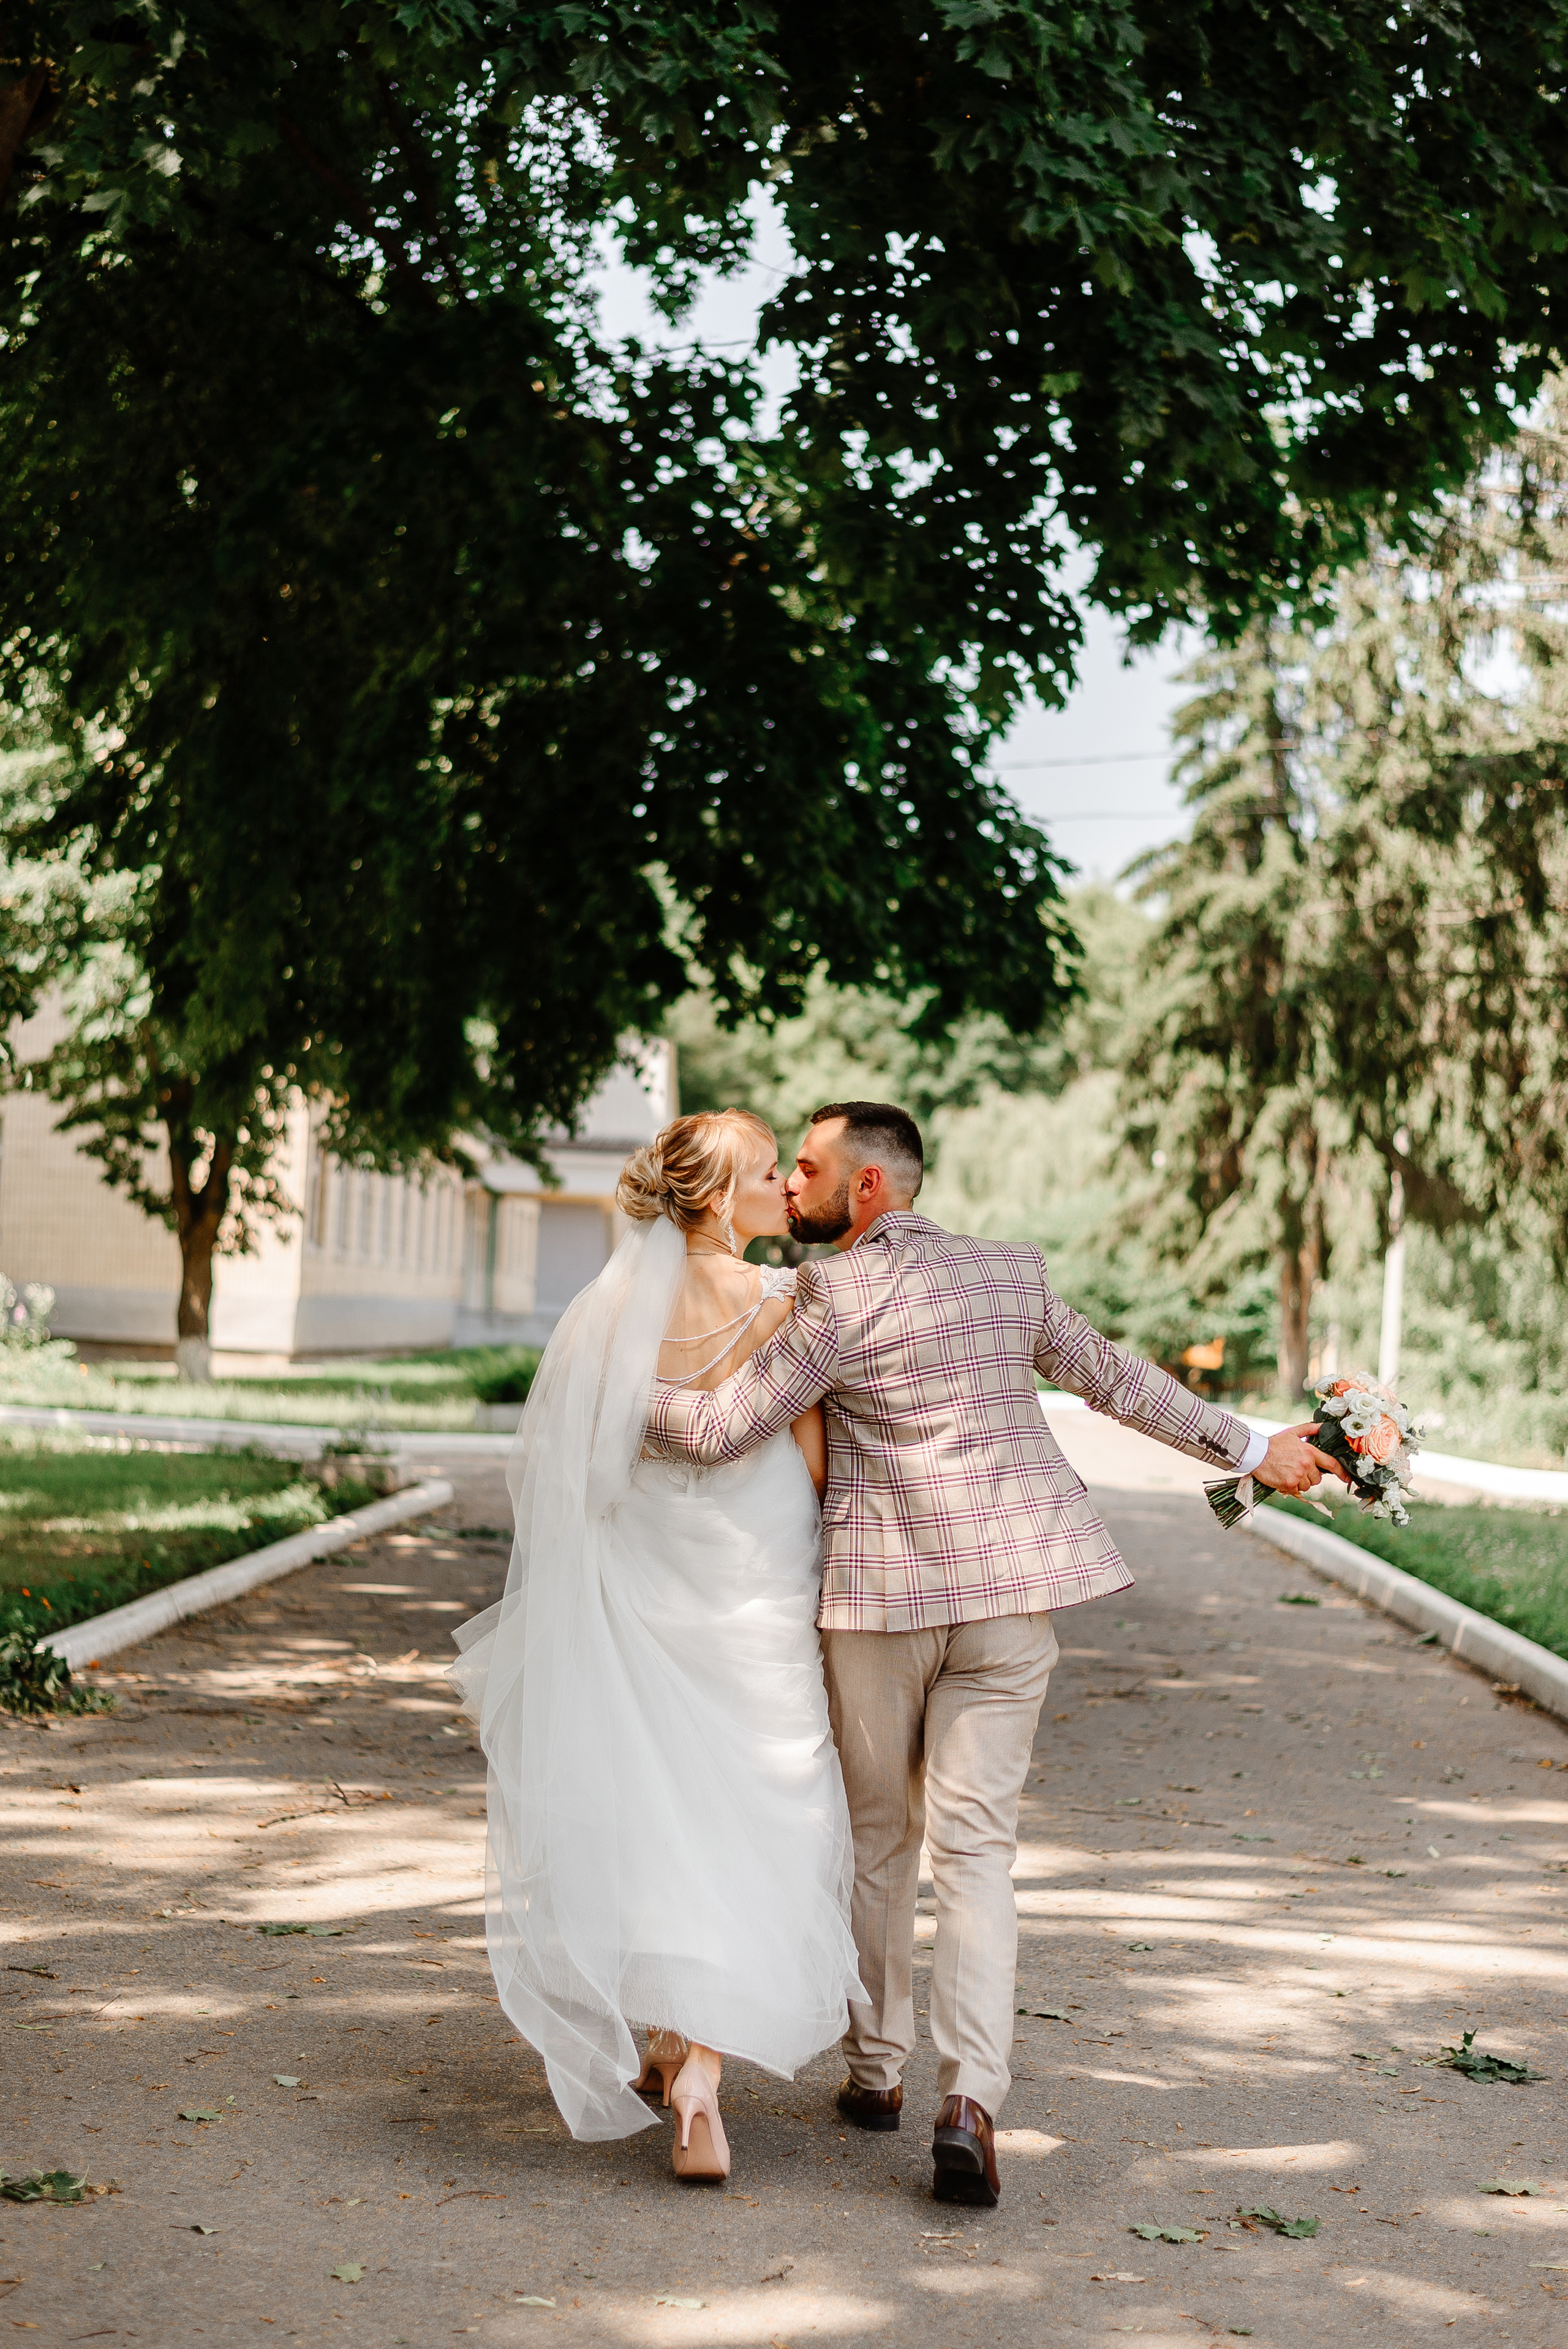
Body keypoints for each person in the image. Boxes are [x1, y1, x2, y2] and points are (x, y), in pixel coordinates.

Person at [644, 1100, 1343, 2209]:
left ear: (868, 1188)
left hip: (881, 1605)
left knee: (879, 1838)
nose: (793, 1187)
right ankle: (969, 2102)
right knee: (979, 1855)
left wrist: (613, 1400)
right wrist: (1258, 1447)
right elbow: (1123, 1382)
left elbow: (728, 1425)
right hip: (1015, 1598)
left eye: (810, 1168)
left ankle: (876, 2071)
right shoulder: (1010, 1277)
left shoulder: (831, 1293)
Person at [448, 1108, 862, 2182]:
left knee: (657, 1793)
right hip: (753, 1572)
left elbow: (575, 1463)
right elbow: (813, 1461)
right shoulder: (782, 1302)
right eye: (771, 1174)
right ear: (723, 1197)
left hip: (647, 1567)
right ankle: (700, 2081)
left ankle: (667, 2040)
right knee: (754, 1798)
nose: (787, 1190)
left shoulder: (608, 1304)